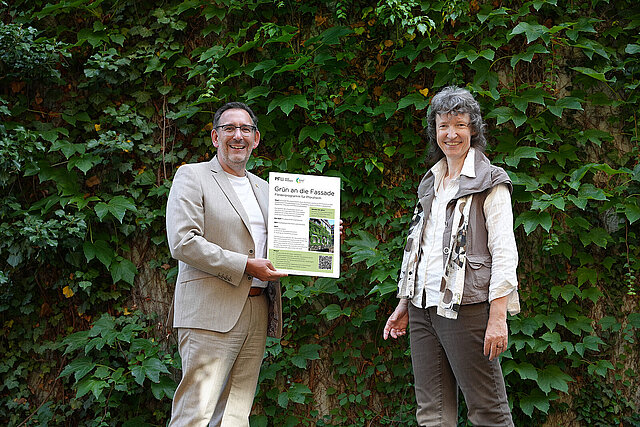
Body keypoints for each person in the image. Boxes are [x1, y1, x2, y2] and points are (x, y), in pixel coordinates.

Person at [383, 86, 520, 426]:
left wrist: (498, 316)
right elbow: (420, 247)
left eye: (459, 124)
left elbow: (504, 252)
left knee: (488, 410)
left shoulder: (491, 181)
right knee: (432, 411)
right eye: (443, 125)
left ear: (473, 128)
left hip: (468, 309)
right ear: (435, 131)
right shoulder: (431, 180)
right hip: (421, 307)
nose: (451, 134)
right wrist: (404, 304)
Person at [166, 101, 287, 426]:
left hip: (257, 310)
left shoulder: (265, 188)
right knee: (196, 414)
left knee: (234, 416)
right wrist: (247, 266)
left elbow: (284, 244)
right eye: (229, 128)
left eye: (245, 129)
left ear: (256, 138)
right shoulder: (192, 176)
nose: (238, 135)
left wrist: (325, 237)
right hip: (211, 311)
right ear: (215, 137)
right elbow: (183, 242)